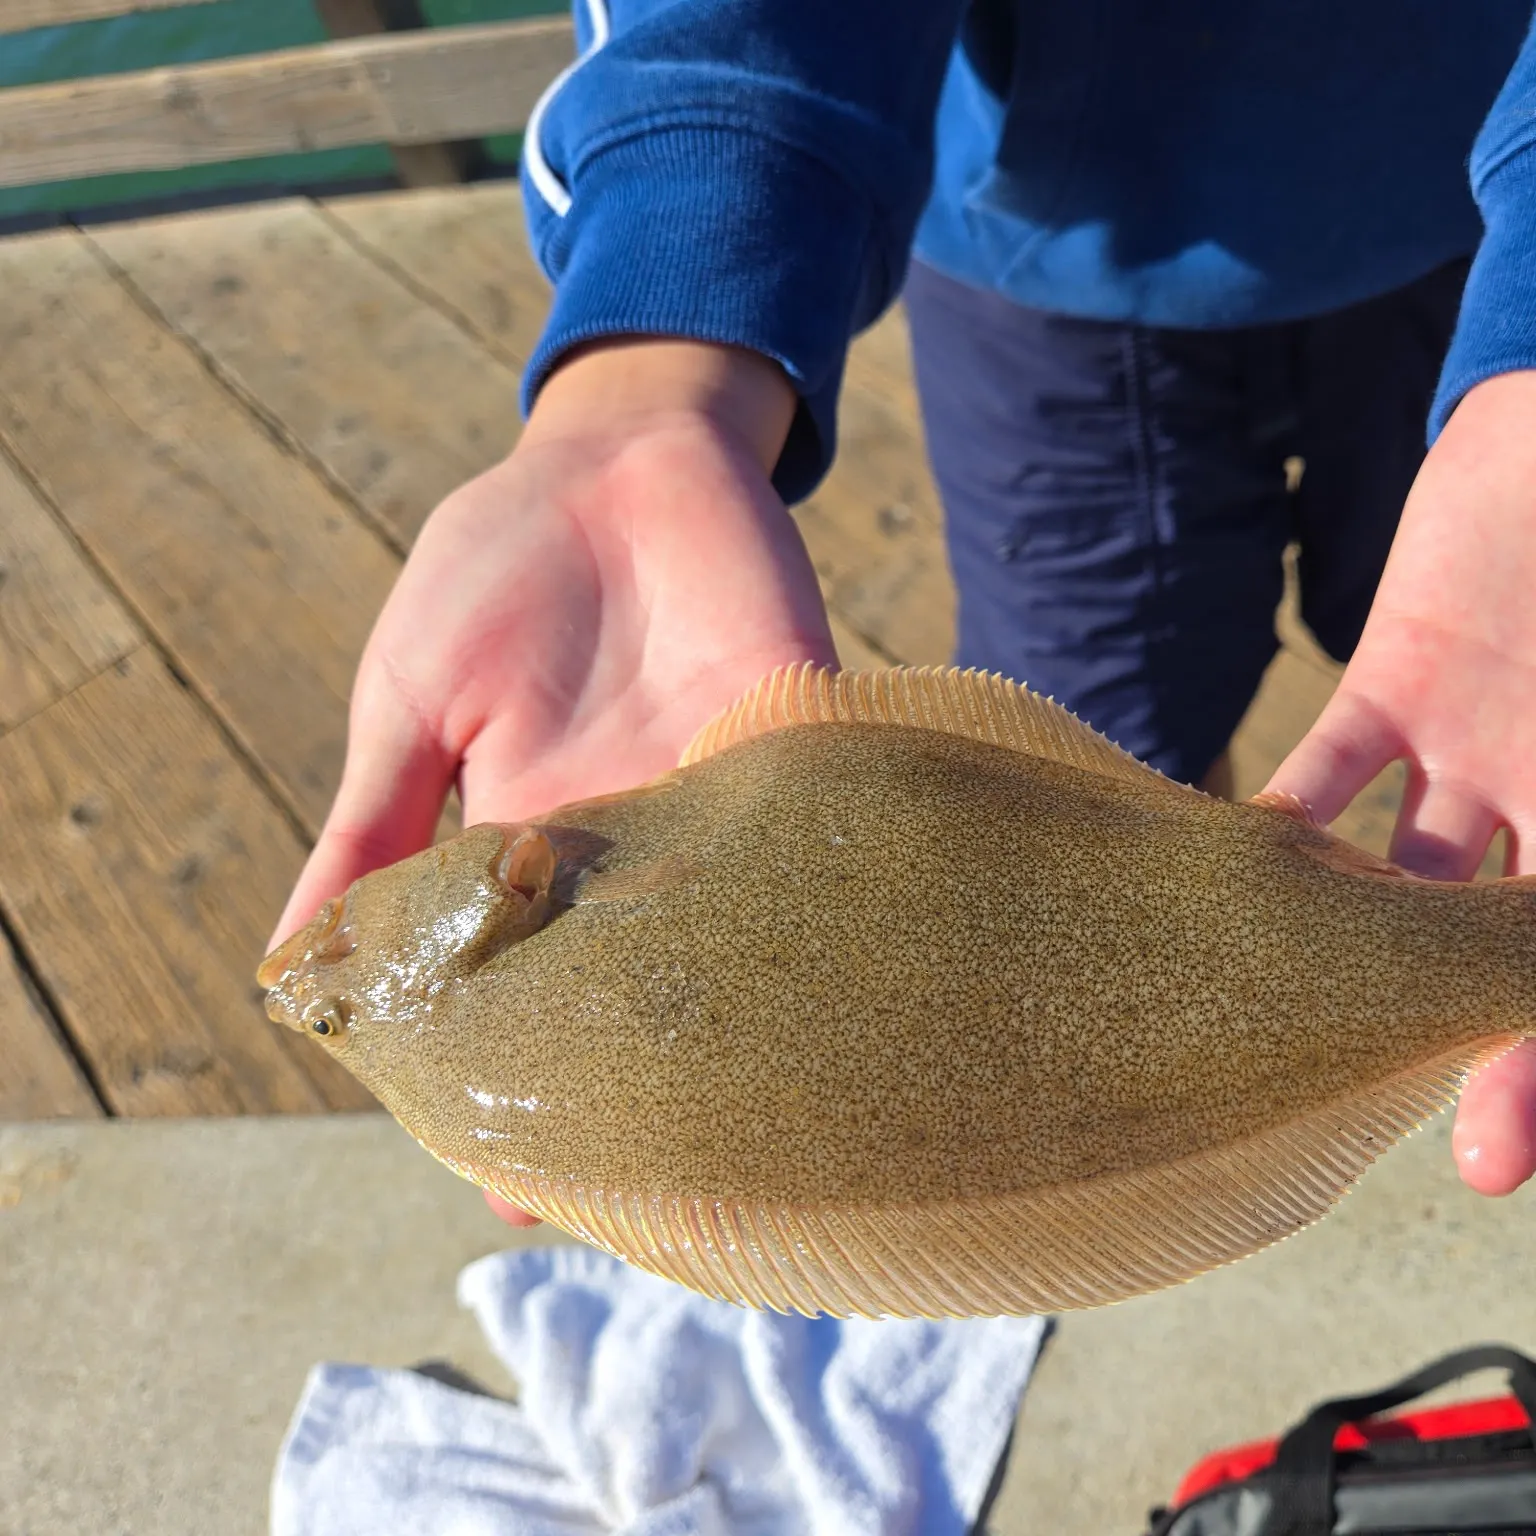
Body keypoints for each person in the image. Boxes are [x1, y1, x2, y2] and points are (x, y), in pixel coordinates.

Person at [272, 1, 1536, 1223]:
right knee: (1117, 714)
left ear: (512, 886)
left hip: (1479, 229)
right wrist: (648, 392)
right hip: (1048, 259)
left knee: (1418, 671)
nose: (304, 977)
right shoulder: (529, 912)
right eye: (332, 1004)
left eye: (330, 1009)